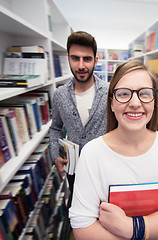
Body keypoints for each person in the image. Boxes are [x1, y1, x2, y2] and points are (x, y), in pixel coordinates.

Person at [69, 60, 158, 239]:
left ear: (154, 102)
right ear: (112, 103)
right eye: (123, 94)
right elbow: (83, 227)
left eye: (144, 93)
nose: (135, 103)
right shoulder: (92, 153)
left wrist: (131, 228)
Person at [49, 31, 108, 197]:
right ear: (68, 58)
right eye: (75, 58)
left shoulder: (110, 92)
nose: (81, 66)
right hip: (73, 169)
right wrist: (55, 155)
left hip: (105, 168)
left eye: (87, 59)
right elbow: (55, 128)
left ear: (96, 60)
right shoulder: (60, 94)